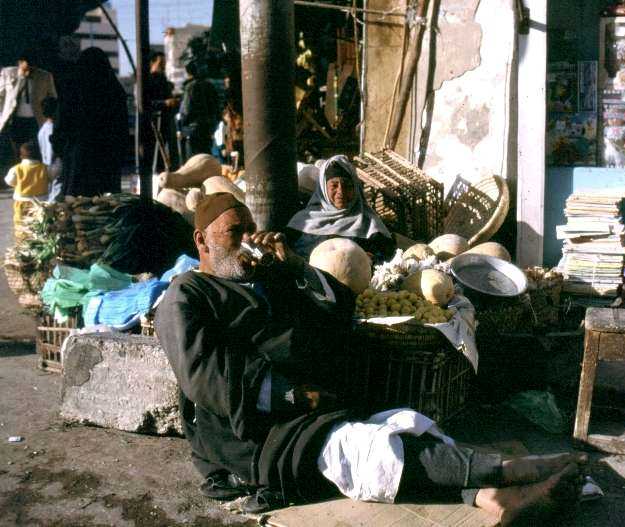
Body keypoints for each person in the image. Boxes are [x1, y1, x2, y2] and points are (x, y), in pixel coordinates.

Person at [155, 193, 584, 525]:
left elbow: (338, 310)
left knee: (400, 424)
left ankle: (494, 497)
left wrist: (295, 269)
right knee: (360, 450)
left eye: (251, 228)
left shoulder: (268, 276)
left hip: (315, 403)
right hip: (251, 427)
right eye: (235, 232)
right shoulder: (186, 296)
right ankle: (510, 470)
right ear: (201, 241)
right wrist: (291, 396)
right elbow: (203, 377)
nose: (249, 238)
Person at [286, 155, 396, 261]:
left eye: (347, 186)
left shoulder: (370, 225)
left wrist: (373, 260)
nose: (341, 192)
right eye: (334, 185)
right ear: (323, 189)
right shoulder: (302, 222)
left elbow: (388, 261)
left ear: (356, 189)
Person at [52, 47, 128, 197]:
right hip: (107, 157)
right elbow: (121, 128)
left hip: (78, 157)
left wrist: (61, 149)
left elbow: (61, 123)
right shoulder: (115, 90)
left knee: (77, 205)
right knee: (105, 206)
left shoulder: (73, 89)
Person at [0, 51, 57, 161]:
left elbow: (53, 98)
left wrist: (50, 117)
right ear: (20, 63)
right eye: (27, 66)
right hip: (14, 119)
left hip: (36, 120)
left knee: (34, 152)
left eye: (32, 67)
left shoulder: (45, 76)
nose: (30, 70)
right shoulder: (8, 73)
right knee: (16, 152)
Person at [4, 141, 49, 237]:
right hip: (41, 203)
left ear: (21, 156)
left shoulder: (16, 169)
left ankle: (22, 244)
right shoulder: (44, 168)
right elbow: (52, 176)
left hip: (21, 203)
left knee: (21, 226)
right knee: (40, 226)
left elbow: (9, 181)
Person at [144, 52, 179, 172]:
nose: (163, 66)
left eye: (164, 63)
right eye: (160, 63)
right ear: (152, 63)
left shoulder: (163, 79)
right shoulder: (148, 80)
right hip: (155, 124)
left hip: (166, 122)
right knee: (157, 155)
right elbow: (145, 103)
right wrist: (164, 103)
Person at [178, 61, 219, 158]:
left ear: (188, 73)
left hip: (192, 129)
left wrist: (181, 125)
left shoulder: (190, 87)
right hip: (207, 127)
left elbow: (186, 109)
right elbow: (216, 107)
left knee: (194, 160)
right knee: (206, 156)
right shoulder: (210, 86)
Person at [37, 96, 62, 201]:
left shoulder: (43, 128)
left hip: (46, 164)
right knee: (55, 193)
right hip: (54, 163)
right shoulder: (53, 129)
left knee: (50, 191)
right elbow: (51, 149)